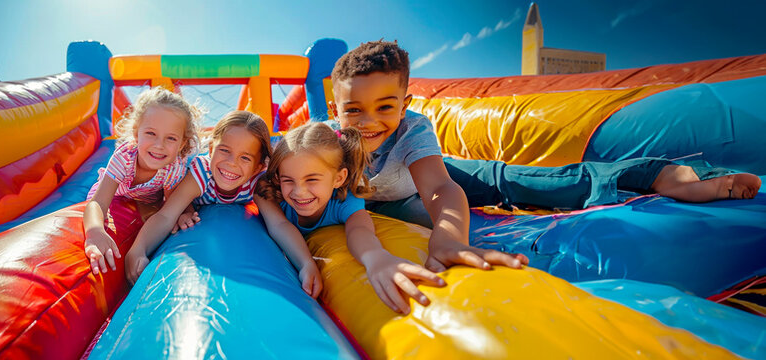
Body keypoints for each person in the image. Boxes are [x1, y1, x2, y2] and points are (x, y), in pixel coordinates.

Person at [327, 40, 760, 277]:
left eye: (386, 106)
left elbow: (439, 187)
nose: (370, 121)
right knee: (411, 213)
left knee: (510, 180)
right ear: (334, 111)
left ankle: (656, 174)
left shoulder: (412, 129)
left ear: (405, 104)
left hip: (424, 176)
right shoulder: (325, 140)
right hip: (381, 201)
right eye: (354, 109)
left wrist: (449, 239)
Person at [124, 111, 325, 298]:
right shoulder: (200, 174)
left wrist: (305, 263)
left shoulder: (257, 182)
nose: (231, 163)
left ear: (258, 167)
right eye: (224, 150)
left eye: (245, 157)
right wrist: (138, 250)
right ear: (211, 149)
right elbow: (166, 215)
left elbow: (278, 224)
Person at [256, 122, 443, 314]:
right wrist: (306, 263)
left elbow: (358, 229)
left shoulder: (345, 198)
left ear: (338, 178)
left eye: (311, 179)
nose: (299, 192)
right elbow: (279, 224)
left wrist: (375, 258)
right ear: (278, 178)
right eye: (288, 180)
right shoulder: (267, 191)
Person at [83, 87, 201, 275]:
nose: (159, 145)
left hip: (148, 201)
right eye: (151, 133)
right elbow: (98, 202)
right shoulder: (125, 156)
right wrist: (95, 231)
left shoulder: (174, 166)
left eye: (171, 138)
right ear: (136, 132)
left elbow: (171, 204)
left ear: (182, 144)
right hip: (118, 194)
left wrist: (186, 212)